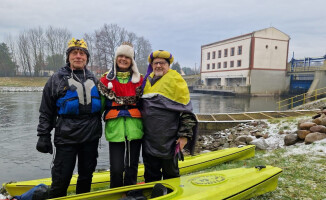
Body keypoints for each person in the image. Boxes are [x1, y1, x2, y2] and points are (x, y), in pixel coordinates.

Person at [36, 38, 102, 198]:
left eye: (82, 53)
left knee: (86, 177)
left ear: (86, 58)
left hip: (91, 136)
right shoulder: (56, 79)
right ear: (69, 57)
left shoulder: (94, 79)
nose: (78, 56)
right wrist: (43, 135)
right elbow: (46, 110)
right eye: (74, 53)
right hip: (66, 137)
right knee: (61, 179)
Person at [140, 50, 198, 183]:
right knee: (150, 175)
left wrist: (184, 136)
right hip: (149, 139)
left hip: (170, 141)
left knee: (171, 176)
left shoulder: (176, 81)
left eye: (162, 63)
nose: (158, 66)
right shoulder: (146, 82)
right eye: (155, 63)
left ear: (168, 65)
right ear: (152, 65)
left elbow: (186, 112)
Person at [97, 42, 143, 188]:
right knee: (116, 168)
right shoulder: (106, 80)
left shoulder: (141, 81)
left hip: (135, 128)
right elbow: (99, 106)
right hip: (115, 129)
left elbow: (147, 106)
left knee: (132, 166)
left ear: (132, 61)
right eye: (120, 56)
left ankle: (130, 193)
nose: (123, 59)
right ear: (116, 58)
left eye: (127, 57)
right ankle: (115, 192)